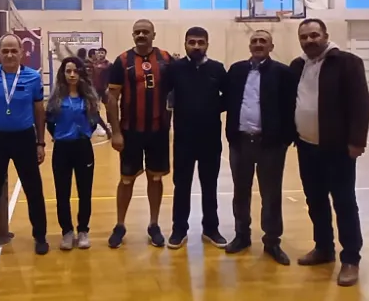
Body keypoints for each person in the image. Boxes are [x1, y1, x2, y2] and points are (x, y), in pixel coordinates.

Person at [290, 18, 369, 287]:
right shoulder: (298, 65)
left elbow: (361, 104)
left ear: (325, 35)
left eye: (314, 35)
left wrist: (357, 141)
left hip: (337, 148)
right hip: (306, 146)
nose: (309, 40)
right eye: (304, 37)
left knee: (344, 202)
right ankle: (324, 248)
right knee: (315, 201)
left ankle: (351, 259)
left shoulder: (347, 63)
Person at [0, 34, 49, 260]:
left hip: (24, 139)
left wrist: (40, 142)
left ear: (22, 53)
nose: (10, 55)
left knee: (33, 189)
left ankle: (40, 236)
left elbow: (39, 111)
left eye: (14, 50)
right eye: (5, 51)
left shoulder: (33, 77)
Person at [223, 30, 296, 264]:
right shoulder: (236, 70)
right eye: (254, 41)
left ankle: (272, 241)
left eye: (263, 41)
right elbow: (226, 100)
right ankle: (241, 236)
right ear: (249, 46)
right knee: (240, 193)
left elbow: (291, 107)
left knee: (271, 194)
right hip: (240, 142)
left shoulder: (282, 73)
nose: (258, 44)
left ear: (271, 47)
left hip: (270, 145)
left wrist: (285, 139)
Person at [106, 19, 173, 248]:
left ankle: (154, 224)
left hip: (158, 132)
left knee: (155, 178)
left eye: (145, 32)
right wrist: (115, 132)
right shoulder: (122, 61)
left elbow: (177, 91)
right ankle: (120, 225)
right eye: (137, 32)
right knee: (126, 180)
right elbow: (112, 99)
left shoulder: (166, 59)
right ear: (133, 35)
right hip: (130, 132)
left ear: (154, 34)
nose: (141, 35)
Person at [164, 27, 228, 249]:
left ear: (207, 44)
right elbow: (163, 94)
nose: (196, 46)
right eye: (192, 42)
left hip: (210, 138)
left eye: (201, 42)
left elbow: (229, 96)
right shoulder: (175, 69)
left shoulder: (217, 69)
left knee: (210, 185)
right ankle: (179, 229)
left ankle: (211, 228)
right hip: (183, 138)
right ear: (185, 44)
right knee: (181, 185)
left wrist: (211, 108)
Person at [46, 56, 100, 251]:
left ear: (81, 73)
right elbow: (50, 122)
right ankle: (67, 231)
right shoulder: (55, 99)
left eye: (75, 71)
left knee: (85, 192)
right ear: (63, 73)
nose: (72, 75)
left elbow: (93, 121)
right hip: (62, 149)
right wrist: (61, 135)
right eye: (68, 71)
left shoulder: (89, 98)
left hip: (83, 148)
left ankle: (83, 230)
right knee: (62, 193)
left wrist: (83, 134)